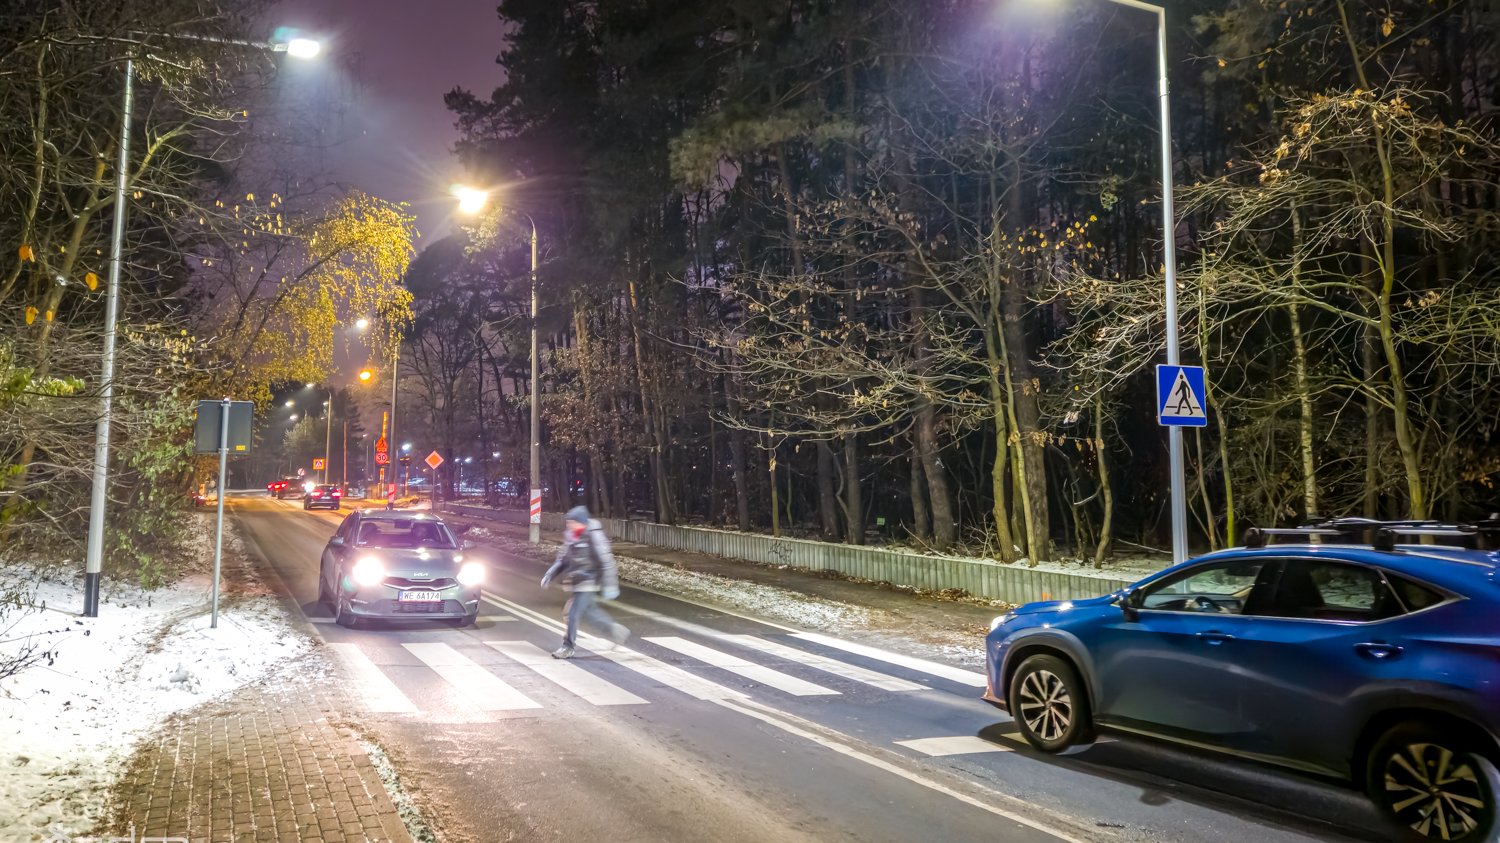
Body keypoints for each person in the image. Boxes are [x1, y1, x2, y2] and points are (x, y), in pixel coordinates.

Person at [541, 506, 628, 659]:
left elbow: (606, 561)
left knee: (572, 613)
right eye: (568, 522)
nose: (569, 525)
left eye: (572, 522)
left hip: (589, 581)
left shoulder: (593, 535)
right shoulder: (571, 536)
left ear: (582, 522)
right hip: (575, 581)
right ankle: (616, 631)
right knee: (590, 614)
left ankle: (568, 647)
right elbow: (563, 559)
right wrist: (550, 574)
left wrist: (610, 586)